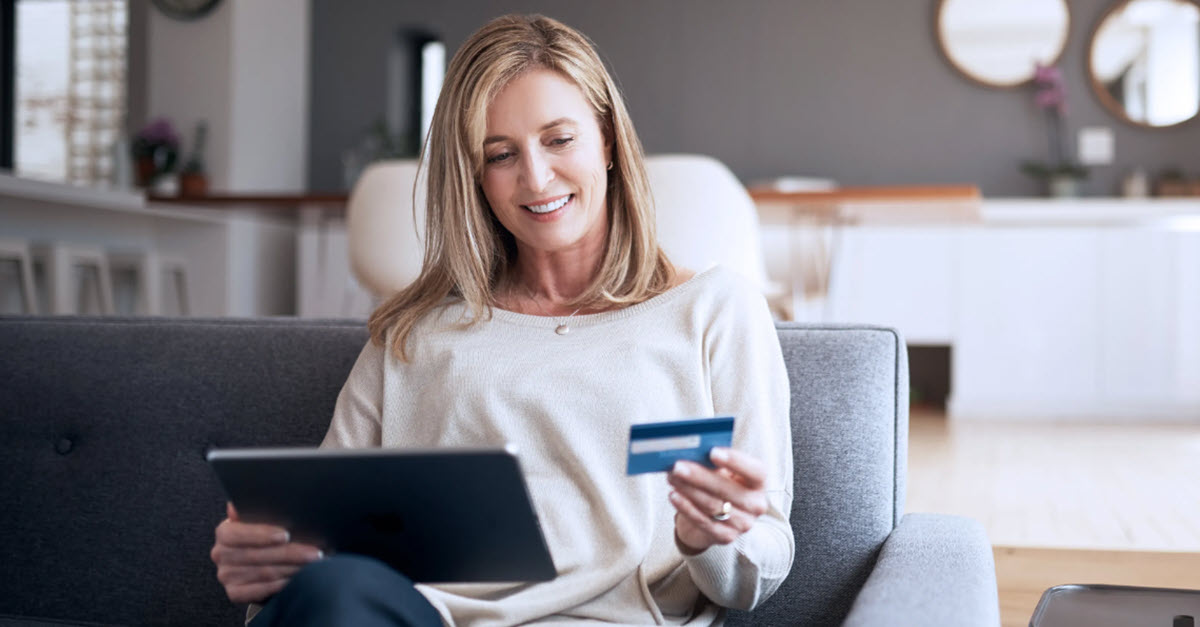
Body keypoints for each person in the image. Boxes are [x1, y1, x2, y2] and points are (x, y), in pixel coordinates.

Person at [210, 14, 793, 626]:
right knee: (332, 593)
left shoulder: (714, 310)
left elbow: (762, 564)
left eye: (560, 139)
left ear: (609, 141)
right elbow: (322, 540)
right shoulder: (414, 334)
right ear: (474, 178)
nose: (536, 178)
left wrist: (712, 535)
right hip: (416, 617)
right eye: (501, 154)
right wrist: (269, 569)